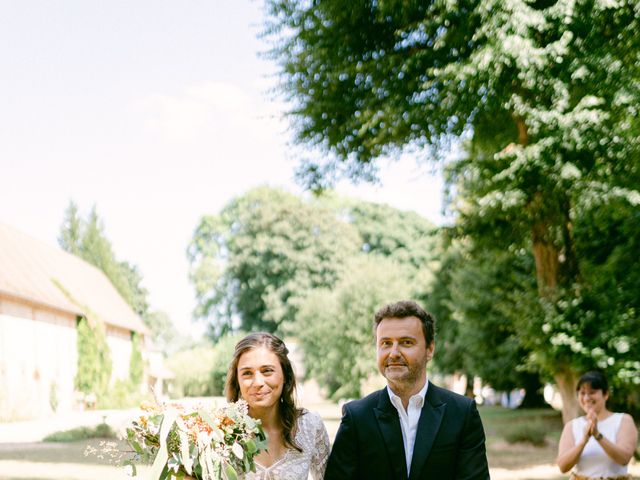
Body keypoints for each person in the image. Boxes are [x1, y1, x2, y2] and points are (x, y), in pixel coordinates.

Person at [324, 300, 490, 480]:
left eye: (406, 342)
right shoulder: (356, 417)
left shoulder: (462, 413)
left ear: (430, 349)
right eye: (386, 343)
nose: (393, 353)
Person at [227, 332, 330, 479]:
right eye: (247, 373)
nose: (258, 382)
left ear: (285, 376)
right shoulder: (219, 433)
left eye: (267, 371)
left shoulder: (310, 426)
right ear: (237, 381)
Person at [556, 370, 638, 479]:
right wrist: (583, 441)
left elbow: (624, 459)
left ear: (606, 394)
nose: (586, 398)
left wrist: (597, 435)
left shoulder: (623, 420)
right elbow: (563, 467)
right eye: (582, 393)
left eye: (592, 392)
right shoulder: (572, 426)